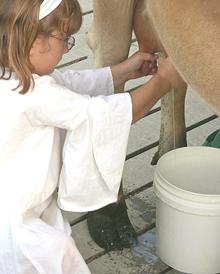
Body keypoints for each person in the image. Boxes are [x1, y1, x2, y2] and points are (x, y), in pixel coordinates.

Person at [0, 0, 183, 273]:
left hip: (16, 202)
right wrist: (164, 81)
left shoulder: (14, 76)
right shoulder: (35, 96)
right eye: (65, 38)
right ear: (36, 42)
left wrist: (122, 70)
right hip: (18, 222)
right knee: (56, 254)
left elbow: (69, 83)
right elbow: (103, 116)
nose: (67, 47)